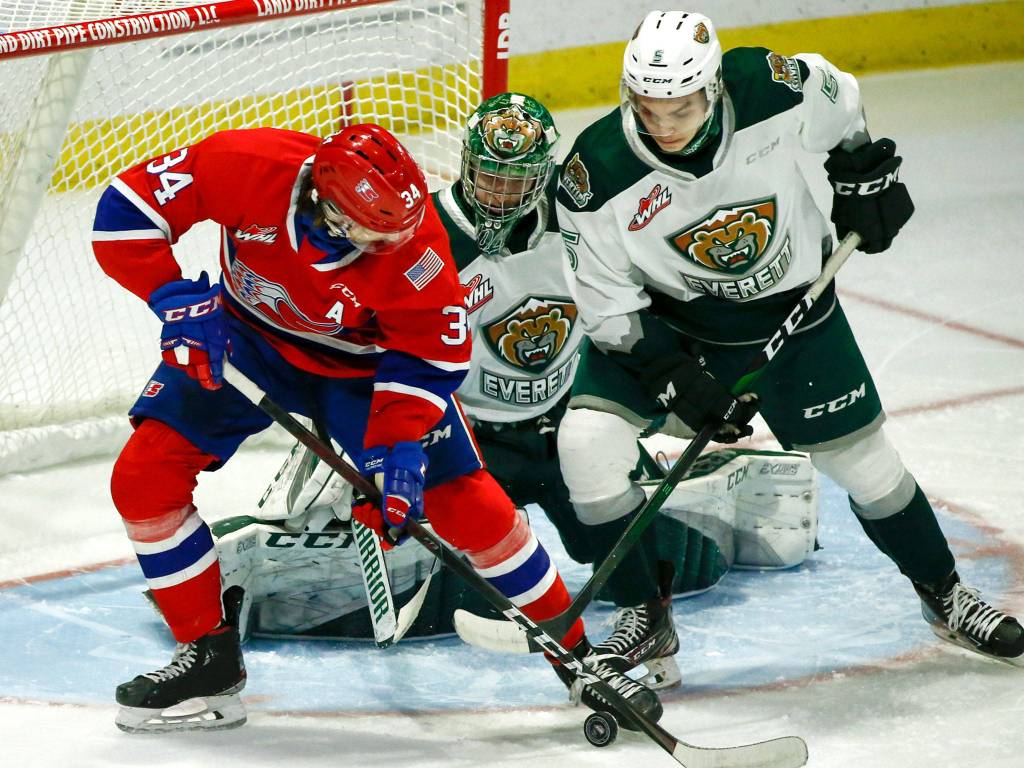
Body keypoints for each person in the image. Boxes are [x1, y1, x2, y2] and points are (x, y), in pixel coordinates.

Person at [90, 123, 661, 733]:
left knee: (468, 505)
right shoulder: (246, 163)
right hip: (245, 339)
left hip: (364, 372)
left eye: (398, 230)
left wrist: (397, 447)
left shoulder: (418, 254)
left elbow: (431, 356)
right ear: (325, 207)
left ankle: (576, 656)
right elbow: (125, 211)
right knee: (143, 480)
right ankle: (208, 659)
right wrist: (173, 298)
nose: (393, 245)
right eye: (372, 231)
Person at [210, 93, 773, 691]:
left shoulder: (580, 222)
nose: (500, 193)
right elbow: (368, 350)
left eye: (517, 179)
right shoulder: (418, 239)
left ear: (545, 175)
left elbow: (648, 296)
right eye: (490, 175)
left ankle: (650, 626)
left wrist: (686, 374)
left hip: (561, 421)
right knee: (443, 559)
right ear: (467, 163)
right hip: (467, 433)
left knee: (612, 529)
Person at [554, 9, 1024, 667]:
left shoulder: (767, 86)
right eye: (648, 106)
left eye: (680, 108)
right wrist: (667, 370)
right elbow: (608, 308)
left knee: (869, 470)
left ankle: (944, 596)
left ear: (713, 89)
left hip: (797, 318)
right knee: (585, 443)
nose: (662, 125)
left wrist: (860, 167)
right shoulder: (595, 174)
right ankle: (644, 614)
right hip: (675, 330)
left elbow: (841, 98)